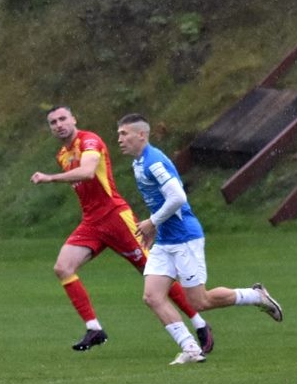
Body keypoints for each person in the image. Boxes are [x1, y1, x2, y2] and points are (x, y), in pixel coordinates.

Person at [31, 106, 213, 353]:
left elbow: (88, 172)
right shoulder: (62, 154)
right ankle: (94, 328)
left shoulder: (89, 140)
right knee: (63, 267)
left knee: (153, 272)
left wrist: (50, 178)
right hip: (92, 222)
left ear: (74, 119)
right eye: (53, 122)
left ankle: (199, 322)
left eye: (63, 119)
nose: (59, 124)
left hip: (115, 217)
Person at [116, 113, 283, 365]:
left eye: (124, 134)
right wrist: (154, 229)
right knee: (152, 296)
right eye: (119, 134)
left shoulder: (154, 162)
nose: (119, 139)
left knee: (200, 301)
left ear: (141, 135)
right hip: (165, 240)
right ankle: (190, 349)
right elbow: (160, 201)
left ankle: (255, 296)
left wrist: (152, 222)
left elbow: (178, 197)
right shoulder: (138, 164)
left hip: (185, 238)